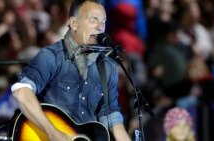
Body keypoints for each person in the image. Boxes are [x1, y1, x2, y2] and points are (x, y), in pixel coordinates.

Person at [11, 0, 131, 141]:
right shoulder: (51, 56)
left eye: (103, 21)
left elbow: (110, 115)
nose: (100, 27)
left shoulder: (108, 67)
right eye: (94, 20)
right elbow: (21, 92)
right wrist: (53, 133)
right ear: (74, 23)